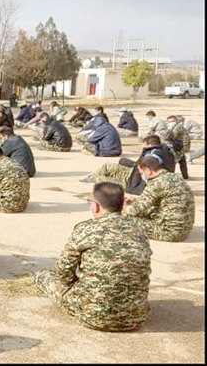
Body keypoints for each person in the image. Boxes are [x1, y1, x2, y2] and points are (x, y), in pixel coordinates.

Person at [34, 182, 151, 332]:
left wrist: (74, 285)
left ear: (95, 206)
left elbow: (63, 271)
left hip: (93, 316)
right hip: (136, 318)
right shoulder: (139, 229)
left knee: (43, 276)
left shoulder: (85, 229)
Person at [124, 157, 195, 242]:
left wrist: (123, 207)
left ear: (148, 170)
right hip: (184, 229)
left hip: (169, 232)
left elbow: (135, 210)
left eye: (141, 173)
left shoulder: (156, 183)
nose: (142, 176)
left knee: (124, 219)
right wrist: (136, 199)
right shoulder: (175, 177)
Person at [85, 135, 174, 194]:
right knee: (109, 166)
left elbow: (146, 172)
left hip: (137, 183)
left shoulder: (152, 155)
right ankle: (92, 176)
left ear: (149, 144)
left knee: (105, 178)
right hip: (136, 176)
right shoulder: (166, 152)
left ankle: (93, 177)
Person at [167, 115, 191, 180]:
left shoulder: (177, 128)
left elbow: (172, 136)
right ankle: (185, 175)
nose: (171, 123)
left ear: (176, 121)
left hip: (179, 147)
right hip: (180, 146)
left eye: (173, 121)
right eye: (170, 122)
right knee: (182, 162)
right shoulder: (178, 127)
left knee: (174, 161)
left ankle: (171, 176)